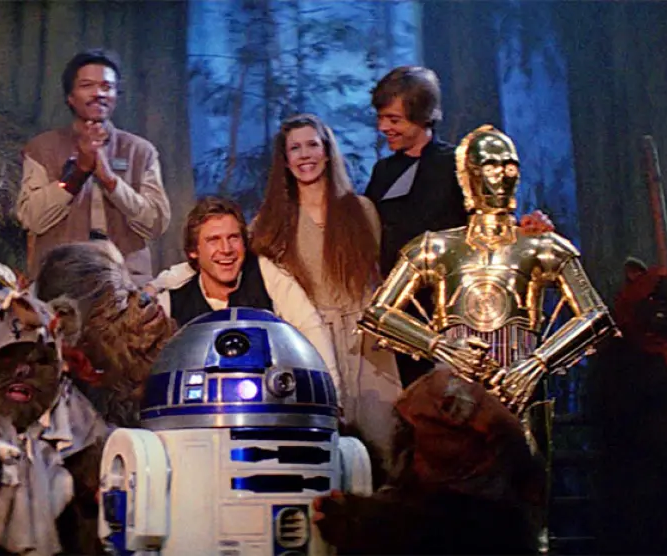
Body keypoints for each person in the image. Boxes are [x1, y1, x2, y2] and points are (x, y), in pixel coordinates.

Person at [364, 66, 553, 387]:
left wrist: (530, 230)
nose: (384, 128)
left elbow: (495, 227)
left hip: (454, 318)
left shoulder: (458, 166)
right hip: (401, 316)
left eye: (394, 120)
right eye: (381, 118)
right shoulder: (383, 172)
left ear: (422, 117)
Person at [248, 113, 400, 470]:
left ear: (327, 151)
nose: (305, 155)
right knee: (323, 451)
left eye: (312, 145)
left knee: (386, 446)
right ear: (285, 160)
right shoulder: (270, 224)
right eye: (295, 148)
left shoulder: (361, 210)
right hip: (311, 344)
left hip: (367, 344)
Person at [152, 196, 341, 392]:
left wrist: (331, 396)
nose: (226, 249)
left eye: (233, 238)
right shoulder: (171, 302)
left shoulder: (266, 275)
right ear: (194, 251)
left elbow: (311, 328)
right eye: (213, 240)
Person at [16, 48, 171, 285]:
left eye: (107, 87)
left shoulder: (140, 151)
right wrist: (76, 175)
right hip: (61, 283)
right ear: (70, 96)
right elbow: (31, 218)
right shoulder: (41, 148)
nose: (98, 93)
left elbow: (156, 223)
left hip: (127, 282)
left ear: (116, 96)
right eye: (87, 85)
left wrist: (111, 181)